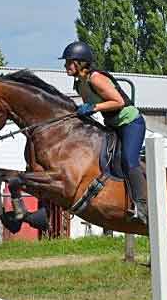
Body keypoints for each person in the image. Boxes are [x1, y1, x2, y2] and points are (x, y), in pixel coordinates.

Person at [60, 41, 148, 225]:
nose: (65, 66)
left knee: (129, 161)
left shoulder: (95, 78)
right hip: (112, 124)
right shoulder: (80, 84)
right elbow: (89, 108)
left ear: (80, 63)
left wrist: (93, 107)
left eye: (69, 62)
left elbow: (118, 101)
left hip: (130, 123)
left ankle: (142, 206)